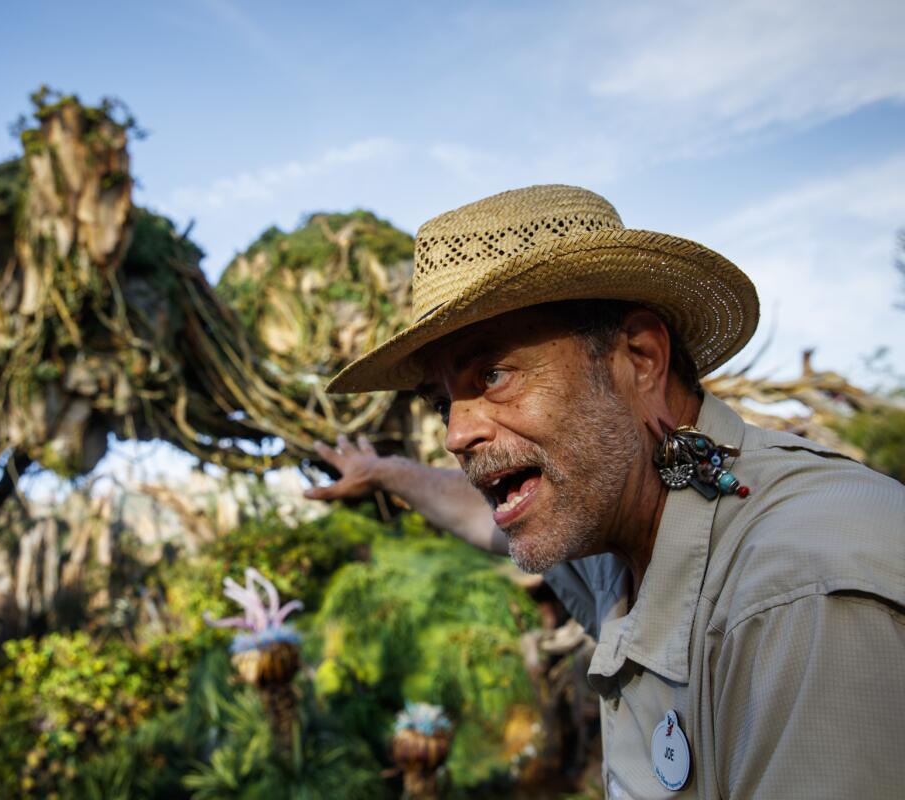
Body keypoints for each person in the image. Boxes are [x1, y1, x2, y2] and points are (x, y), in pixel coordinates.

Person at [307, 185, 905, 799]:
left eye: (493, 374)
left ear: (640, 359)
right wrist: (384, 473)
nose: (456, 434)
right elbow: (477, 511)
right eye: (442, 404)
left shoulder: (798, 596)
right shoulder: (618, 525)